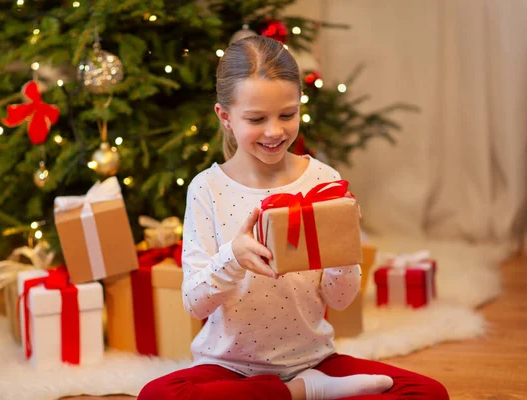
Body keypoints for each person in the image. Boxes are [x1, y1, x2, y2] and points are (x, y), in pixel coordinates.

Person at [139, 36, 449, 400]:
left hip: (313, 360)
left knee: (428, 393)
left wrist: (344, 248)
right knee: (157, 395)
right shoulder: (206, 189)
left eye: (287, 115)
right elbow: (196, 303)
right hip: (227, 368)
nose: (275, 131)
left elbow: (341, 300)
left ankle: (297, 389)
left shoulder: (324, 180)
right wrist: (233, 258)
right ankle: (303, 394)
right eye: (256, 119)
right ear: (225, 117)